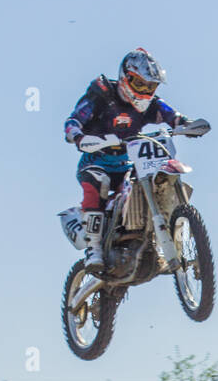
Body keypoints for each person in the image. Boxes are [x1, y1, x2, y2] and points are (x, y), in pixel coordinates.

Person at [62, 48, 197, 272]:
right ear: (126, 77)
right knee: (99, 181)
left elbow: (171, 115)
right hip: (97, 160)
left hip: (130, 164)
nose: (145, 91)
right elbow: (74, 120)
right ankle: (93, 249)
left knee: (157, 180)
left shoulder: (150, 104)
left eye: (150, 86)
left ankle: (174, 241)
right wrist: (77, 135)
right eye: (140, 84)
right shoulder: (102, 95)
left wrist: (185, 124)